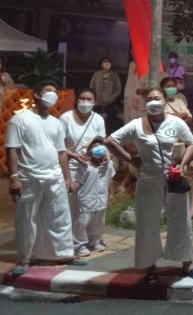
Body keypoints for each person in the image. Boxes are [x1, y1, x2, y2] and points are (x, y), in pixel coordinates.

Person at [106, 87, 193, 285]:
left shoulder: (175, 122)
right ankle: (150, 267)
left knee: (181, 221)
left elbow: (192, 143)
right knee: (147, 224)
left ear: (165, 100)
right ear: (144, 101)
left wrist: (183, 163)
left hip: (173, 180)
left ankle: (187, 264)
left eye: (157, 98)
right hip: (148, 180)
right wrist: (131, 160)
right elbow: (110, 140)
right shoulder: (137, 125)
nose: (153, 102)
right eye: (149, 98)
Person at [6, 80, 87, 274]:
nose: (53, 95)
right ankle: (25, 259)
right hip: (28, 177)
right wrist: (14, 177)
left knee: (59, 216)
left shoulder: (55, 123)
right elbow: (12, 149)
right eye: (48, 91)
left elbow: (61, 152)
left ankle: (64, 253)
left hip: (55, 177)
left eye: (55, 92)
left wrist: (67, 177)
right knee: (27, 219)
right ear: (36, 95)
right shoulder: (20, 120)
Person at [60, 88, 107, 256]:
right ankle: (77, 241)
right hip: (73, 165)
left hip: (93, 166)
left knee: (97, 204)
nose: (85, 102)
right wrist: (74, 155)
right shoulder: (65, 118)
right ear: (77, 100)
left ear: (94, 102)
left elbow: (101, 141)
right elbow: (59, 146)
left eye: (89, 99)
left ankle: (95, 238)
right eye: (82, 98)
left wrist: (104, 153)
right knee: (75, 206)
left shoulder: (98, 119)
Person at [73, 137, 115, 254]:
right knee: (83, 221)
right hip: (87, 198)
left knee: (99, 220)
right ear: (90, 151)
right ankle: (79, 244)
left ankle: (95, 241)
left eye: (100, 146)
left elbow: (110, 178)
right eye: (95, 146)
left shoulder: (109, 164)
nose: (98, 149)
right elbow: (78, 182)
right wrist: (71, 188)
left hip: (102, 198)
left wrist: (111, 193)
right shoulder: (85, 166)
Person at [89, 57, 122, 123]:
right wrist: (95, 99)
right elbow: (91, 87)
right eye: (105, 61)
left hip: (110, 103)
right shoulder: (96, 74)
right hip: (97, 103)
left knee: (109, 123)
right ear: (101, 64)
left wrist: (111, 98)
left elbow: (118, 89)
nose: (107, 63)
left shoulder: (114, 75)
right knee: (96, 122)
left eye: (108, 62)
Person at [123, 58, 145, 124]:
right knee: (129, 118)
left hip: (142, 96)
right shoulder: (132, 64)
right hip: (130, 95)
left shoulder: (148, 64)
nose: (132, 53)